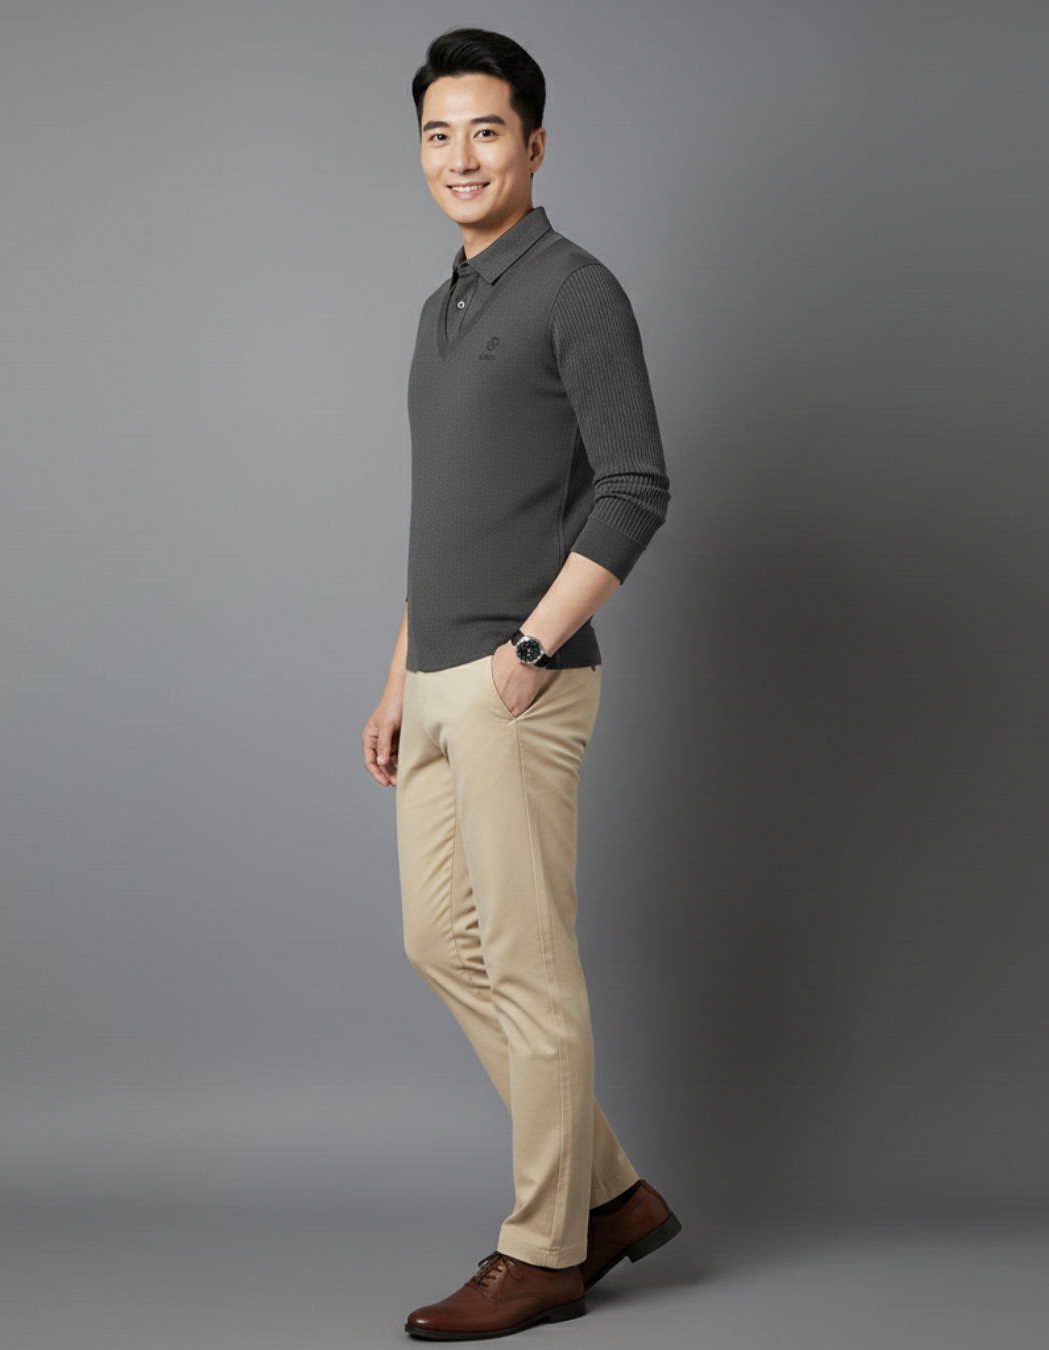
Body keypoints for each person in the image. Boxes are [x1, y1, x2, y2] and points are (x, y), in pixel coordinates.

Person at [361, 27, 678, 1341]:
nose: (461, 156)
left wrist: (531, 650)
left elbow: (636, 487)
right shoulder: (440, 307)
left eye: (486, 131)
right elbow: (447, 514)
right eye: (438, 134)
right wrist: (397, 678)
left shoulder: (576, 288)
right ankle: (615, 1194)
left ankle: (545, 1249)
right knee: (439, 941)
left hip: (519, 684)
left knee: (533, 969)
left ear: (535, 145)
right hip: (436, 679)